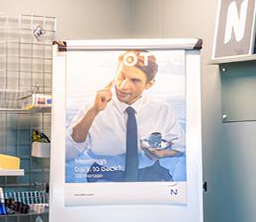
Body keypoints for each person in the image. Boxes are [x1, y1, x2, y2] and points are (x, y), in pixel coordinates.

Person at [68, 50, 183, 183]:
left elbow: (181, 147)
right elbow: (70, 152)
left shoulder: (162, 109)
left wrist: (164, 154)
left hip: (151, 173)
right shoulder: (93, 106)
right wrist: (93, 111)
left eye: (134, 81)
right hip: (105, 175)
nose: (123, 86)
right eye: (121, 76)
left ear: (149, 84)